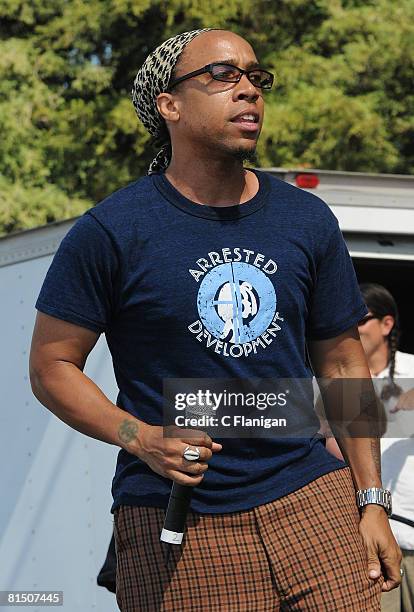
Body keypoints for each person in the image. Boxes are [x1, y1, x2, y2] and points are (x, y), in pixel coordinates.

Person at [29, 28, 402, 611]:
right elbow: (51, 366)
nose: (249, 90)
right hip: (178, 522)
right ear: (169, 105)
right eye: (223, 76)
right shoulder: (112, 231)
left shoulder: (306, 221)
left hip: (313, 502)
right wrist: (145, 438)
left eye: (256, 77)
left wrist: (371, 498)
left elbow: (342, 360)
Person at [323, 283, 414, 611]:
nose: (352, 329)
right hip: (365, 544)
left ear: (386, 324)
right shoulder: (334, 384)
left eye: (360, 320)